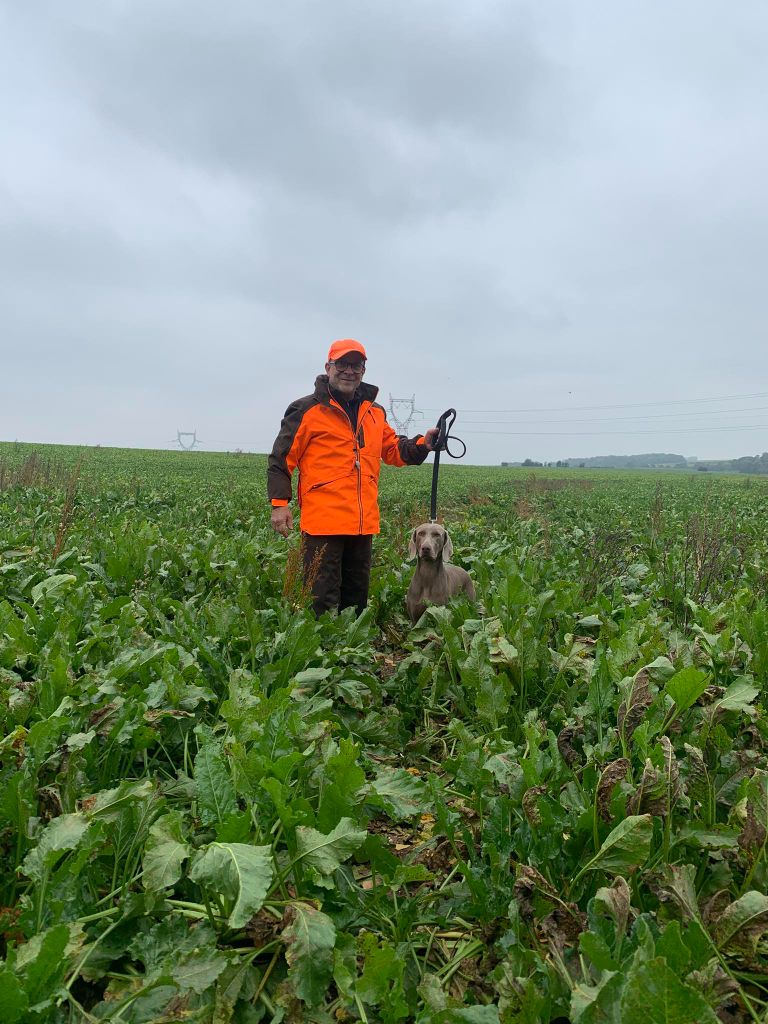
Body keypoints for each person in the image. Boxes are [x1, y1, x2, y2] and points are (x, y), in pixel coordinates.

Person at [268, 339, 438, 616]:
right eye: (342, 364)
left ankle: (352, 643)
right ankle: (322, 643)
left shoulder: (374, 411)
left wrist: (423, 444)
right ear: (328, 367)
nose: (349, 371)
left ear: (363, 371)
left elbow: (393, 449)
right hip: (323, 523)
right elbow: (280, 459)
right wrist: (279, 504)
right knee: (322, 601)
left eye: (356, 365)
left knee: (357, 600)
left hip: (362, 523)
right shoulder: (305, 410)